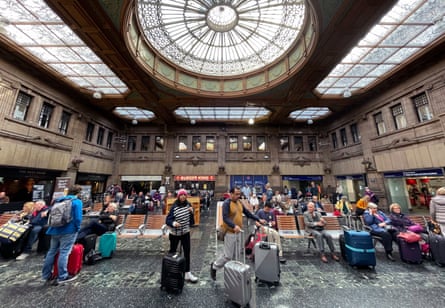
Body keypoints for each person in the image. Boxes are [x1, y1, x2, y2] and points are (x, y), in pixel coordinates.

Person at [210, 187, 266, 281]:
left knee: (237, 255)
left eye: (239, 194)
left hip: (239, 232)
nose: (238, 196)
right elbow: (225, 218)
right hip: (230, 232)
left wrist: (258, 219)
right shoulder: (227, 203)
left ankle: (234, 273)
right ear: (231, 194)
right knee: (228, 256)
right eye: (236, 194)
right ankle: (214, 266)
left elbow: (248, 213)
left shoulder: (239, 202)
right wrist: (233, 226)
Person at [42, 185, 83, 285]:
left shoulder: (58, 200)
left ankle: (46, 275)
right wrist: (77, 228)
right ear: (78, 193)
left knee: (51, 252)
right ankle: (62, 276)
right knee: (64, 252)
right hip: (69, 230)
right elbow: (78, 218)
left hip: (55, 229)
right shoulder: (77, 202)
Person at [166, 189, 198, 283]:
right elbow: (168, 220)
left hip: (185, 233)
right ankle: (170, 272)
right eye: (181, 195)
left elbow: (192, 223)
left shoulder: (189, 205)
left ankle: (187, 273)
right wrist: (173, 222)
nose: (183, 196)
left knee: (187, 252)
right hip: (175, 234)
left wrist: (191, 213)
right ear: (178, 196)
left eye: (184, 195)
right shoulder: (174, 207)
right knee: (172, 252)